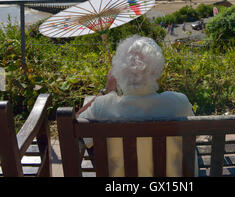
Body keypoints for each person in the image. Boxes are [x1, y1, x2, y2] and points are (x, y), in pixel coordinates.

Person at [79, 35, 197, 177]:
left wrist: (106, 91)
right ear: (157, 70)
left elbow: (75, 124)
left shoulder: (102, 107)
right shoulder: (179, 103)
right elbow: (193, 137)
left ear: (117, 73)